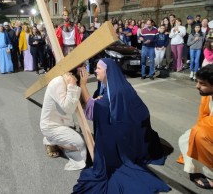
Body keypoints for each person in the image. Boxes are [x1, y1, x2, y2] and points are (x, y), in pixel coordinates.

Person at [73, 58, 170, 193]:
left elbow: (92, 112)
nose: (95, 71)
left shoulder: (116, 90)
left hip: (129, 129)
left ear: (107, 72)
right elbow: (101, 103)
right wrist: (98, 101)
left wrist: (83, 85)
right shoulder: (111, 84)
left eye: (98, 68)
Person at [40, 71, 87, 171]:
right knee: (81, 144)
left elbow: (83, 106)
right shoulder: (58, 82)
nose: (85, 68)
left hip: (66, 124)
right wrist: (72, 85)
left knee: (89, 142)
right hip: (51, 127)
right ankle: (51, 141)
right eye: (82, 65)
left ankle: (60, 141)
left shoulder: (73, 79)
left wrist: (82, 84)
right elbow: (68, 108)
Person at [177, 64, 213, 190]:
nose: (197, 86)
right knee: (186, 138)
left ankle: (211, 175)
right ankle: (198, 167)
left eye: (202, 83)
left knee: (199, 134)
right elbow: (203, 119)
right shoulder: (208, 96)